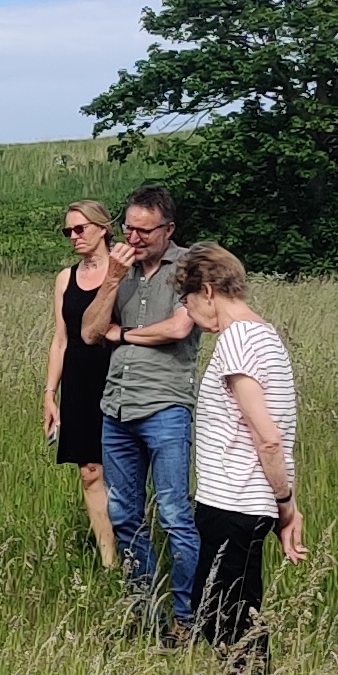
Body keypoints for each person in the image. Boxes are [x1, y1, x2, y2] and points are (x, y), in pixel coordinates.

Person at [83, 187, 207, 643]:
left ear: (168, 230)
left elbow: (179, 328)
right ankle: (144, 612)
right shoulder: (123, 270)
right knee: (124, 515)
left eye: (144, 230)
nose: (133, 237)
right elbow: (90, 332)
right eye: (129, 227)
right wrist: (112, 279)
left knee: (175, 513)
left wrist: (125, 333)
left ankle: (186, 616)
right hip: (116, 406)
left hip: (166, 405)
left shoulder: (189, 267)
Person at [178, 242, 304, 674]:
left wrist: (285, 504)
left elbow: (267, 437)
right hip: (246, 502)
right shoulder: (264, 336)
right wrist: (284, 505)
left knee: (229, 619)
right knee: (227, 611)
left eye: (188, 300)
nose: (190, 313)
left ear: (208, 291)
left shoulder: (237, 340)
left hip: (235, 503)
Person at [45, 202, 122, 570]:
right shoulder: (65, 277)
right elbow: (60, 339)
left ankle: (135, 550)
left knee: (122, 467)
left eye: (80, 229)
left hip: (117, 374)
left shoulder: (125, 270)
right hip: (77, 377)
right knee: (89, 469)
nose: (74, 237)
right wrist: (49, 394)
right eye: (68, 231)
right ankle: (108, 558)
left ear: (103, 228)